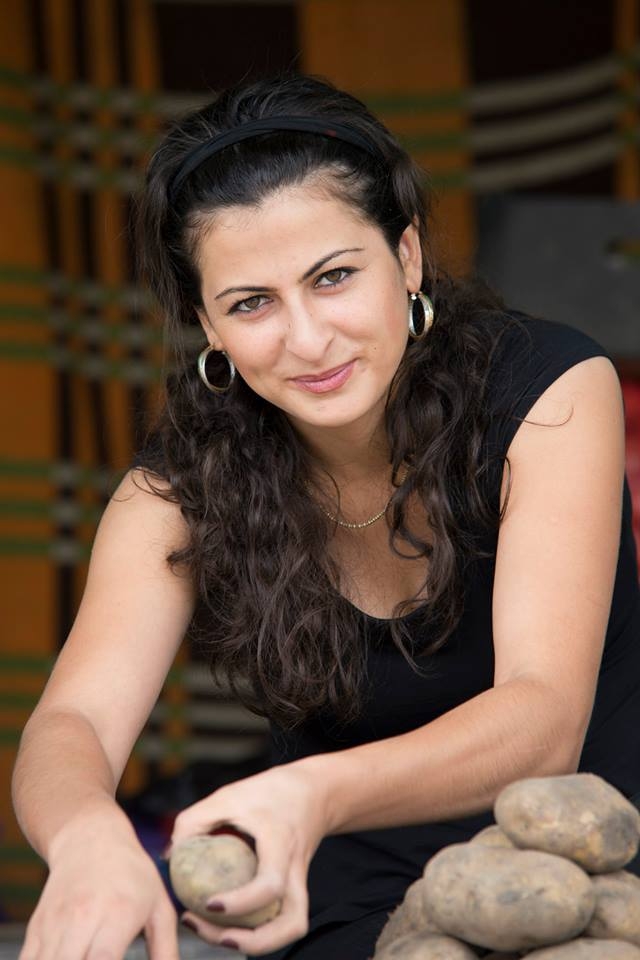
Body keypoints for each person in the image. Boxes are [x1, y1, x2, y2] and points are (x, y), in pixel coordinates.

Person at [12, 72, 640, 960]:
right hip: (343, 914)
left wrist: (311, 794)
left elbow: (542, 720)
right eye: (251, 303)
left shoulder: (548, 392)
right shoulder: (177, 489)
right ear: (206, 323)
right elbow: (70, 723)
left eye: (334, 276)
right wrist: (86, 835)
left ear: (407, 257)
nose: (307, 340)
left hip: (579, 877)